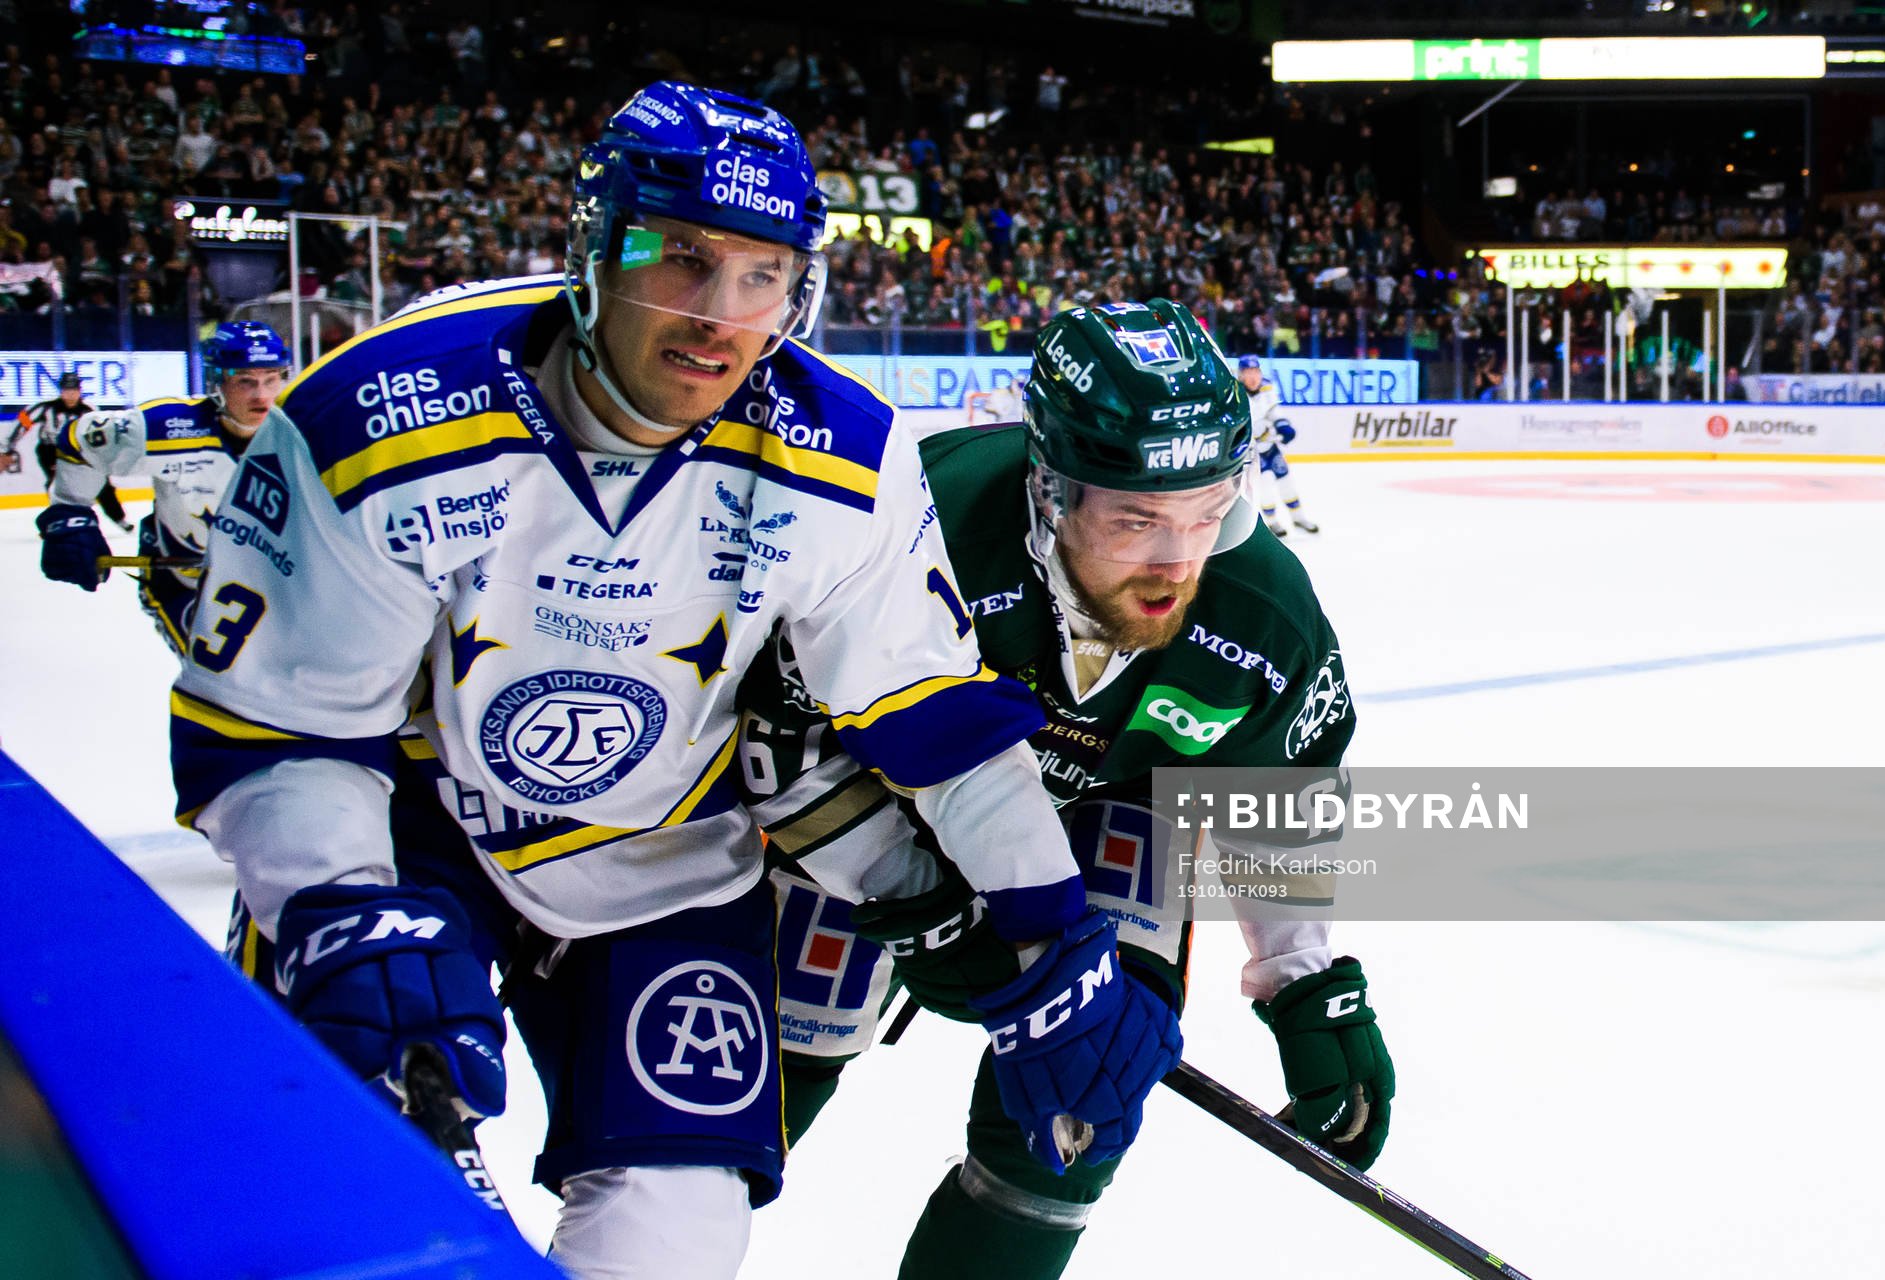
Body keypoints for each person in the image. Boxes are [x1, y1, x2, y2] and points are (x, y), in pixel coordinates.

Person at [168, 83, 1178, 1280]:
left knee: (678, 1233)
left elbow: (938, 724)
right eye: (681, 260)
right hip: (415, 826)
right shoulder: (381, 415)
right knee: (340, 1188)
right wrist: (340, 904)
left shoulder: (843, 458)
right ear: (592, 250)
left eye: (763, 277)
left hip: (665, 861)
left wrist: (1055, 936)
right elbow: (282, 726)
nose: (719, 318)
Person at [741, 300, 1390, 1279]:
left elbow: (1277, 800)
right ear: (1049, 490)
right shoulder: (928, 523)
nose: (1177, 561)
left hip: (1112, 802)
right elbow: (778, 724)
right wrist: (915, 892)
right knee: (766, 1057)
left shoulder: (1264, 611)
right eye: (1136, 517)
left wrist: (1304, 980)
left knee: (1085, 1096)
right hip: (882, 781)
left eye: (1208, 510)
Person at [34, 325, 288, 651]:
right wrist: (70, 513)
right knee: (229, 692)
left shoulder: (302, 434)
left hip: (276, 588)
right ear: (217, 382)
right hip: (185, 588)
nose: (262, 395)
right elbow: (78, 439)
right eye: (245, 381)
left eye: (271, 378)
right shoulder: (165, 427)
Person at [8, 370, 133, 531]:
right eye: (67, 390)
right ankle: (57, 520)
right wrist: (7, 448)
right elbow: (22, 423)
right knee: (58, 484)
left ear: (79, 391)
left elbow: (102, 433)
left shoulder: (89, 410)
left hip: (81, 450)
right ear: (61, 392)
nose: (70, 394)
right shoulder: (46, 408)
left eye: (74, 390)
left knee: (102, 482)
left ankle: (119, 518)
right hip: (51, 450)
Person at [1236, 354, 1318, 535]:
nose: (1253, 377)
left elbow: (1273, 411)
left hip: (1270, 446)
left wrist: (1283, 425)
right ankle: (1272, 522)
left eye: (1256, 371)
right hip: (1252, 451)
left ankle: (1298, 518)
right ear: (1241, 375)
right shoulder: (1236, 394)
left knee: (1286, 481)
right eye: (1248, 372)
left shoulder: (1267, 387)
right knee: (1265, 485)